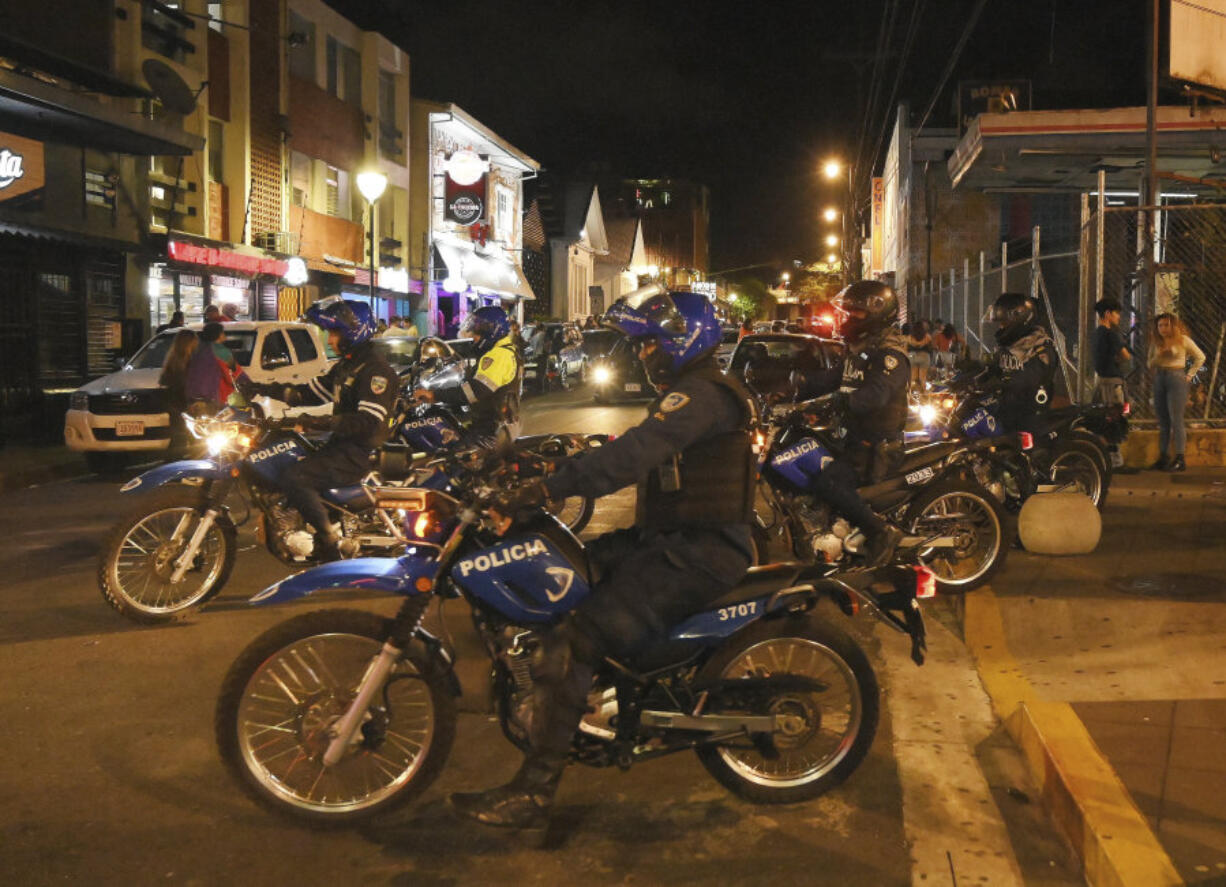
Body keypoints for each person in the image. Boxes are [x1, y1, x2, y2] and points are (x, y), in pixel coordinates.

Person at [448, 290, 756, 837]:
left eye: (649, 344)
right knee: (575, 574)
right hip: (668, 540)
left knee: (579, 636)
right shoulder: (696, 390)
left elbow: (634, 454)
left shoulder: (704, 394)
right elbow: (620, 445)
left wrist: (547, 487)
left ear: (681, 339)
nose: (643, 356)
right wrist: (531, 458)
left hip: (699, 553)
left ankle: (534, 790)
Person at [237, 297, 397, 561]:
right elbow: (308, 393)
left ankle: (330, 542)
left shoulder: (375, 371)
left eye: (334, 333)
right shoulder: (347, 366)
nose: (330, 340)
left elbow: (369, 421)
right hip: (341, 443)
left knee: (295, 477)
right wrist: (262, 389)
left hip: (358, 450)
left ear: (352, 332)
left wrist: (322, 422)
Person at [801, 280, 907, 567]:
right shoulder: (861, 350)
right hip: (853, 437)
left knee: (829, 481)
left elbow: (876, 394)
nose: (848, 319)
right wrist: (796, 386)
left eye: (855, 314)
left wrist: (840, 401)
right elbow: (834, 378)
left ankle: (881, 532)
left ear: (876, 313)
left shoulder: (890, 354)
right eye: (847, 312)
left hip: (875, 445)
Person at [413, 305, 523, 447]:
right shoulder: (509, 350)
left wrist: (435, 395)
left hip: (491, 430)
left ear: (491, 331)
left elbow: (475, 391)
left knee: (454, 458)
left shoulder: (498, 355)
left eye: (477, 332)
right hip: (502, 425)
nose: (473, 336)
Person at [983, 292, 1057, 433]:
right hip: (1006, 409)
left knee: (1025, 449)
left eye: (1004, 323)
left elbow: (1030, 378)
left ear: (1019, 318)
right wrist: (970, 376)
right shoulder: (1008, 346)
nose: (1001, 328)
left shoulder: (1040, 347)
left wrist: (1002, 381)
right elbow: (992, 369)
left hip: (1030, 414)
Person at [1147, 313, 1205, 472]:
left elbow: (1200, 357)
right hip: (1160, 377)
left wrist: (1190, 375)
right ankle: (1163, 457)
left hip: (1176, 377)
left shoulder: (1183, 340)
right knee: (1163, 419)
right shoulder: (1156, 342)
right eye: (1160, 326)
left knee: (1176, 419)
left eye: (1166, 325)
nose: (1163, 329)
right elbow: (1149, 363)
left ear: (1173, 325)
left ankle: (1180, 458)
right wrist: (1159, 356)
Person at [185, 322, 241, 408]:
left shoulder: (196, 349)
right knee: (243, 412)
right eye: (223, 332)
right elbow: (232, 375)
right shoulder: (222, 351)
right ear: (219, 335)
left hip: (191, 394)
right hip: (212, 396)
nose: (224, 335)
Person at [159, 329, 198, 449]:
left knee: (178, 436)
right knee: (192, 438)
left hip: (174, 404)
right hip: (184, 405)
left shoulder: (172, 361)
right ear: (189, 343)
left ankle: (175, 460)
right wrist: (191, 403)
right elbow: (186, 385)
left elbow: (165, 382)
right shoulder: (188, 362)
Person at [1093, 298, 1132, 406]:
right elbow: (1126, 355)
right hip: (1114, 382)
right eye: (1116, 313)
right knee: (1119, 412)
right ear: (1107, 314)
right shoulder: (1111, 334)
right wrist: (1117, 359)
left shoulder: (1096, 333)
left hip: (1101, 381)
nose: (1118, 317)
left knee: (1103, 412)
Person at [906, 319, 932, 388]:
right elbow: (930, 348)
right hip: (924, 356)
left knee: (913, 379)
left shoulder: (910, 337)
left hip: (912, 356)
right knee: (922, 379)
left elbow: (906, 349)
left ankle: (912, 395)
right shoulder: (927, 336)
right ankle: (923, 395)